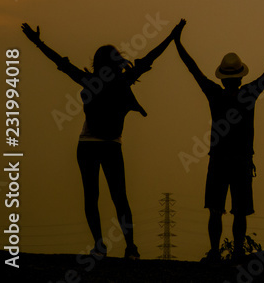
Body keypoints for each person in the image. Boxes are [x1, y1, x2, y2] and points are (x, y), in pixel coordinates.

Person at [21, 20, 183, 260]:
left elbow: (61, 64)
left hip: (89, 145)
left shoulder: (93, 82)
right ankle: (130, 247)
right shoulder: (122, 81)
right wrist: (170, 37)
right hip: (108, 145)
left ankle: (101, 246)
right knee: (119, 197)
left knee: (93, 197)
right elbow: (150, 58)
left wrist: (37, 42)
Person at [174, 21, 264, 262]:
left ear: (222, 78)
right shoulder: (249, 93)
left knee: (215, 209)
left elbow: (192, 68)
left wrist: (177, 41)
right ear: (240, 76)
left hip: (218, 160)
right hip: (241, 160)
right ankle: (238, 251)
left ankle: (215, 251)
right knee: (240, 211)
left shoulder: (214, 94)